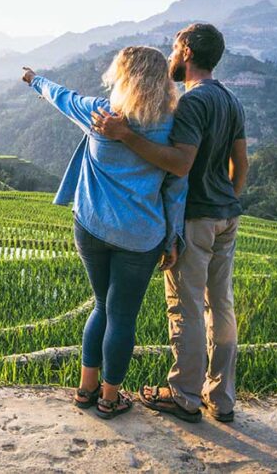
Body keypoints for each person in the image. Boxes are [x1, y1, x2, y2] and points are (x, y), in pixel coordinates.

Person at [92, 23, 248, 424]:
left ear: (187, 51)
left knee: (187, 307)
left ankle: (184, 396)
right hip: (226, 217)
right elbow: (240, 164)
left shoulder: (193, 104)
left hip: (196, 217)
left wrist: (125, 135)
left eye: (175, 50)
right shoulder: (232, 102)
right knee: (222, 306)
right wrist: (227, 199)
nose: (171, 58)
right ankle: (223, 398)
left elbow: (180, 164)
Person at [21, 46, 187, 419]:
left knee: (101, 306)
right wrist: (174, 236)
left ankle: (85, 390)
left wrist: (34, 80)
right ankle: (110, 398)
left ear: (123, 76)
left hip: (92, 227)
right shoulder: (170, 125)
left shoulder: (99, 113)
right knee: (122, 316)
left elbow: (61, 96)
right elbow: (177, 187)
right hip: (139, 236)